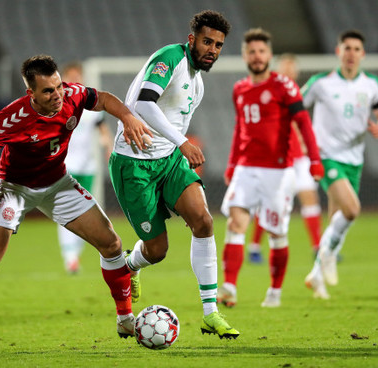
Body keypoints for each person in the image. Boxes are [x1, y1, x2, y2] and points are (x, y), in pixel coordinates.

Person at [0, 54, 152, 354]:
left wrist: (128, 116)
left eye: (58, 87)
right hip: (15, 189)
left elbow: (102, 99)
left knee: (113, 244)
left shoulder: (73, 95)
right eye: (48, 91)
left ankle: (125, 318)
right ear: (31, 94)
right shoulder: (10, 119)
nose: (57, 95)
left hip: (58, 184)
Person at [108, 10, 239, 339]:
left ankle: (211, 313)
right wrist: (183, 142)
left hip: (168, 162)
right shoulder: (171, 57)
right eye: (207, 41)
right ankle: (130, 264)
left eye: (219, 45)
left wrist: (176, 146)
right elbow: (143, 103)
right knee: (158, 251)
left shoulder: (198, 81)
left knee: (204, 221)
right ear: (192, 39)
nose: (213, 49)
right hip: (133, 165)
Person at [217, 28, 324, 308]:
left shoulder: (284, 87)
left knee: (277, 233)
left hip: (279, 172)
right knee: (235, 222)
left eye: (261, 51)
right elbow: (239, 129)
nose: (256, 56)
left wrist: (314, 159)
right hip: (246, 167)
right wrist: (232, 163)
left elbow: (303, 123)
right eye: (251, 51)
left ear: (269, 56)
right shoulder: (239, 89)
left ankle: (275, 292)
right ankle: (229, 287)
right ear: (244, 55)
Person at [302, 30, 378, 299]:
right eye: (347, 48)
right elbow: (296, 106)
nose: (351, 53)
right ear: (338, 51)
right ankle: (326, 256)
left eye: (356, 49)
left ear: (363, 54)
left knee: (336, 220)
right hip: (327, 156)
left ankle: (317, 273)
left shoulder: (372, 85)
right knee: (352, 210)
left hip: (355, 160)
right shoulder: (321, 83)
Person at [247, 53, 323, 263]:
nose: (289, 73)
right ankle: (254, 246)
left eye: (292, 69)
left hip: (299, 157)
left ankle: (318, 247)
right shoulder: (269, 93)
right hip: (278, 159)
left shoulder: (297, 94)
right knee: (271, 203)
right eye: (285, 69)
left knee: (310, 198)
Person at [58, 61, 114, 274]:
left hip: (88, 167)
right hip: (64, 167)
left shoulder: (90, 107)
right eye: (70, 76)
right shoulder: (57, 106)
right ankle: (69, 256)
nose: (75, 80)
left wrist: (108, 147)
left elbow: (103, 130)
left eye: (77, 76)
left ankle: (75, 254)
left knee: (86, 213)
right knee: (65, 211)